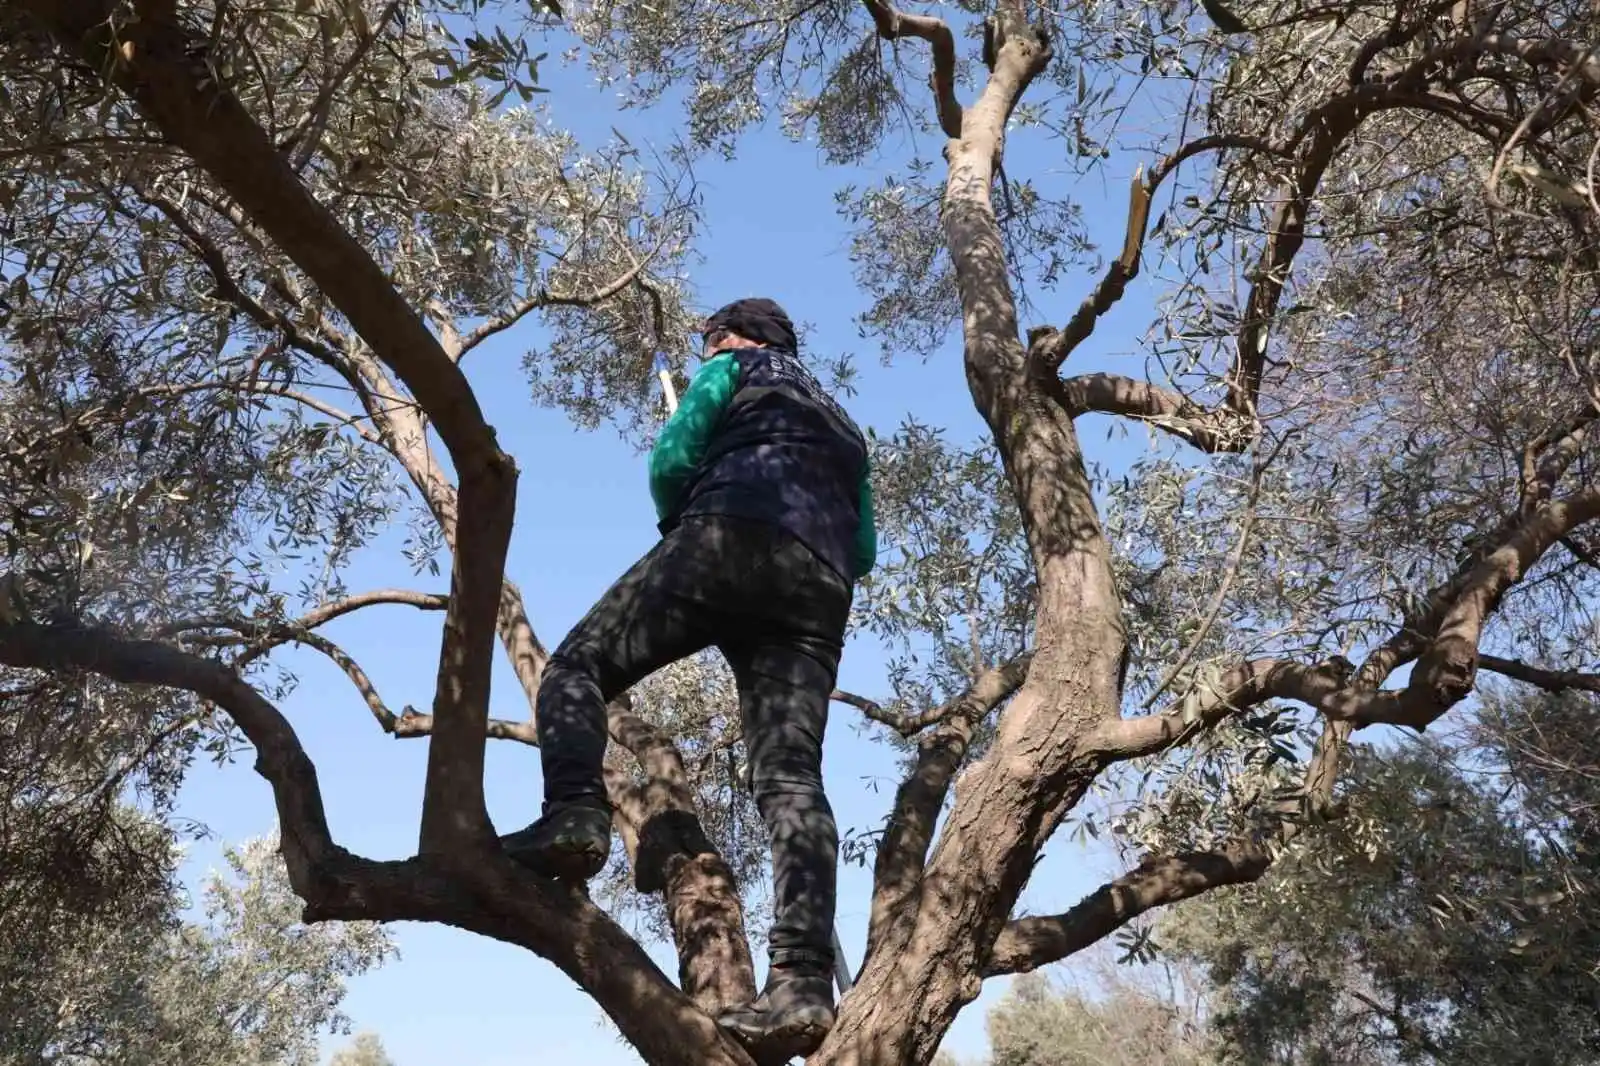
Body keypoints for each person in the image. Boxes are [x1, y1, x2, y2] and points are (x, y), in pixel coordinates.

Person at [505, 297, 876, 1058]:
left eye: (708, 338)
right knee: (791, 779)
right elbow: (865, 547)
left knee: (577, 666)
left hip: (727, 534)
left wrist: (688, 508)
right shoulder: (845, 425)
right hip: (822, 585)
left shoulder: (727, 367)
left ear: (728, 337)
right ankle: (803, 983)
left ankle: (575, 816)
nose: (706, 347)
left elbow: (672, 460)